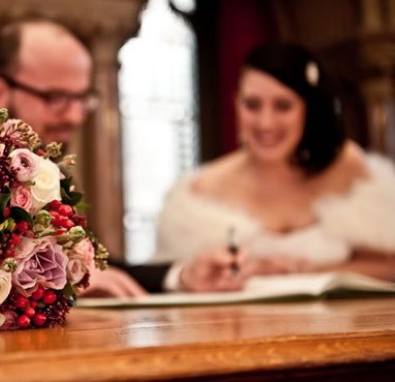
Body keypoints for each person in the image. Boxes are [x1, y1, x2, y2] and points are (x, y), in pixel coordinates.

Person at [154, 43, 395, 292]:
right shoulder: (199, 191)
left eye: (283, 106)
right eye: (252, 105)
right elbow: (176, 282)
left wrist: (305, 271)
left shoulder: (347, 166)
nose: (265, 123)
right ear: (235, 103)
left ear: (308, 109)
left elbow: (388, 265)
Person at [0, 17, 148, 298]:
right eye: (55, 97)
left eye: (82, 97)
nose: (74, 116)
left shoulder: (51, 171)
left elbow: (100, 269)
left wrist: (181, 273)